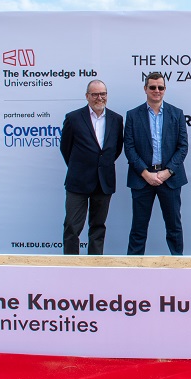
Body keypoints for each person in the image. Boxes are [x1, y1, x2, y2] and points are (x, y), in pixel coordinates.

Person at [124, 71, 188, 255]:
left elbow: (182, 147)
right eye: (152, 87)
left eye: (160, 87)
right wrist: (145, 173)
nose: (156, 90)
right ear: (145, 89)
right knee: (138, 228)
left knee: (174, 227)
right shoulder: (133, 115)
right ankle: (133, 268)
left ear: (165, 89)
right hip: (142, 178)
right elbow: (129, 148)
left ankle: (178, 266)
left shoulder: (177, 114)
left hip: (170, 178)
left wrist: (167, 172)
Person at [60, 79, 124, 255]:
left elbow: (115, 149)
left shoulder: (116, 119)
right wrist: (79, 167)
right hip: (78, 182)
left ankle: (95, 267)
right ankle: (71, 267)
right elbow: (66, 148)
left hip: (103, 182)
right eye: (95, 94)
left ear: (107, 95)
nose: (99, 98)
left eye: (102, 94)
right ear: (87, 96)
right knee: (72, 227)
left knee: (98, 228)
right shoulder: (73, 118)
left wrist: (101, 166)